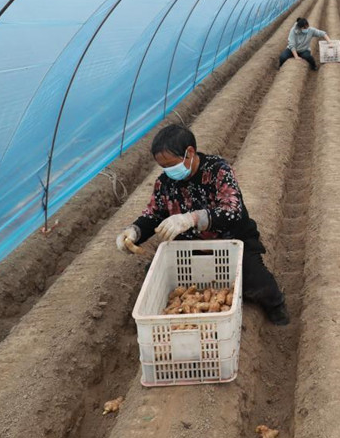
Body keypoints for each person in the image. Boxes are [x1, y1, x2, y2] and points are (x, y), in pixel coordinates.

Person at [116, 125, 289, 325]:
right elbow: (154, 214)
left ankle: (276, 306)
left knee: (257, 281)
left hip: (231, 241)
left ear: (189, 153)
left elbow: (232, 210)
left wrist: (192, 219)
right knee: (156, 275)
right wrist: (135, 231)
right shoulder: (164, 183)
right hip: (190, 246)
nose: (168, 172)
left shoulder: (217, 170)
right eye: (163, 167)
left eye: (171, 165)